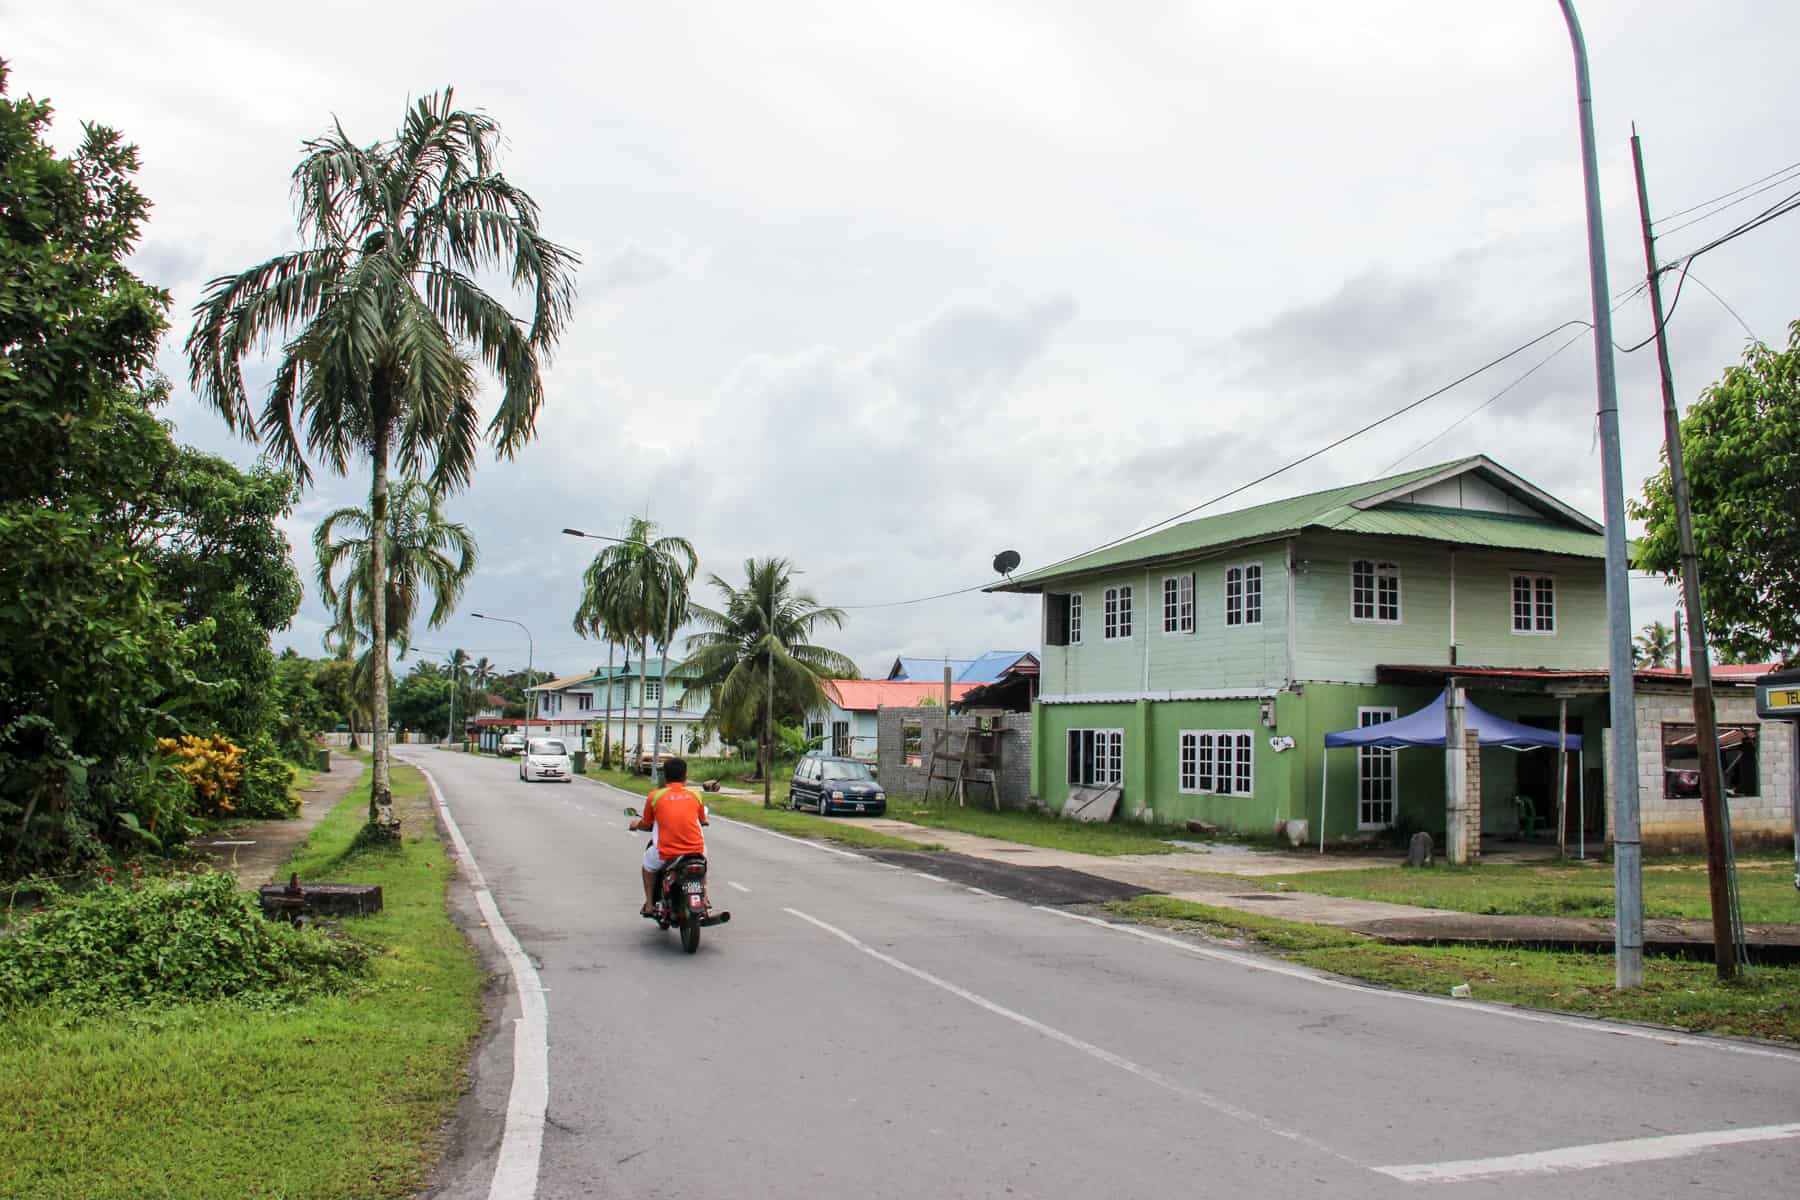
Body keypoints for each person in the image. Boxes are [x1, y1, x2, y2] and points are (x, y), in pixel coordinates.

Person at [631, 757, 708, 915]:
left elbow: (646, 823)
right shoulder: (696, 795)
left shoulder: (655, 796)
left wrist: (635, 825)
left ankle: (650, 905)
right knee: (702, 867)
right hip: (696, 850)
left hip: (666, 853)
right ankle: (705, 898)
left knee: (647, 867)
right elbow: (702, 819)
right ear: (686, 776)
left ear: (665, 777)